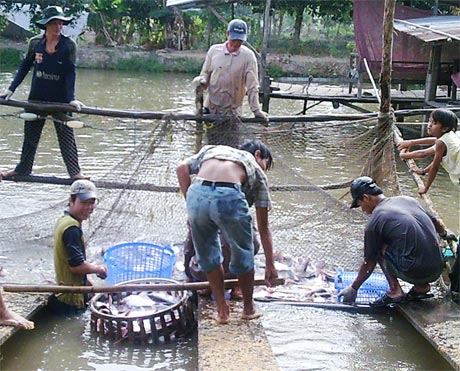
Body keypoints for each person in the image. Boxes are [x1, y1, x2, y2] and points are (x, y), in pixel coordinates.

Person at [176, 139, 278, 324]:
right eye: (266, 163)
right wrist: (270, 264)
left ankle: (222, 312)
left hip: (197, 192)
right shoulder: (257, 172)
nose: (265, 168)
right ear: (257, 156)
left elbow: (181, 168)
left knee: (208, 255)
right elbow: (263, 228)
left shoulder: (213, 149)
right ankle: (248, 309)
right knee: (244, 252)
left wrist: (191, 202)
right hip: (228, 195)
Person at [0, 6, 86, 180]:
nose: (58, 27)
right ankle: (23, 169)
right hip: (37, 97)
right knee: (30, 137)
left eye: (61, 23)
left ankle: (75, 174)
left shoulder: (69, 45)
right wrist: (11, 89)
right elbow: (25, 66)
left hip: (60, 100)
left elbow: (70, 72)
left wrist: (72, 99)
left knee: (66, 137)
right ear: (46, 26)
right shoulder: (35, 43)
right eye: (54, 23)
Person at [338, 176, 448, 307]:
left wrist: (354, 288)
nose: (362, 209)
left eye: (360, 204)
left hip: (415, 271)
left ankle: (395, 290)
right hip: (437, 267)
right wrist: (445, 234)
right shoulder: (408, 200)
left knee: (377, 248)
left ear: (366, 198)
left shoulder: (375, 220)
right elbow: (437, 224)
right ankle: (421, 287)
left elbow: (369, 263)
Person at [192, 19, 269, 148]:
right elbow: (205, 73)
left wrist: (256, 110)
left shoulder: (248, 57)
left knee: (231, 150)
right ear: (227, 34)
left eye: (240, 40)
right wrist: (202, 81)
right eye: (234, 40)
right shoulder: (214, 51)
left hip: (233, 114)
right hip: (212, 111)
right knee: (211, 149)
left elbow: (252, 86)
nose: (236, 43)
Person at [50, 179, 107, 313]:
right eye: (83, 202)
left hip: (66, 291)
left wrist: (86, 281)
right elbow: (76, 266)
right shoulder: (72, 229)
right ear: (71, 200)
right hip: (70, 300)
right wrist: (100, 269)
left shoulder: (64, 220)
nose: (88, 207)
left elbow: (69, 258)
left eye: (91, 203)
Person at [398, 108, 459, 194]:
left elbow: (433, 164)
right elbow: (434, 142)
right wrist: (423, 172)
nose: (429, 125)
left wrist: (425, 189)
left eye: (434, 123)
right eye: (430, 121)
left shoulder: (441, 143)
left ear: (444, 128)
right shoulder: (451, 136)